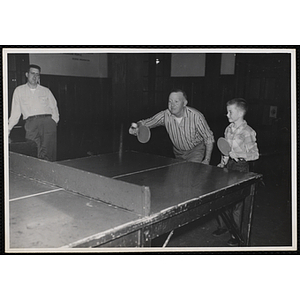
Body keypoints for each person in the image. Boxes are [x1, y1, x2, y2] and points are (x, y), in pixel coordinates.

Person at [214, 98, 259, 246]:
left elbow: (255, 155)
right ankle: (223, 226)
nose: (227, 114)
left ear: (239, 113)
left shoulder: (248, 132)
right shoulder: (228, 129)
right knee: (221, 198)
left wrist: (238, 155)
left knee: (236, 203)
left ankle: (235, 234)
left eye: (230, 112)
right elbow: (225, 151)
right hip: (228, 167)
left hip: (241, 167)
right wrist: (222, 162)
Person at [129, 89, 214, 164]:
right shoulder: (165, 115)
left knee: (191, 176)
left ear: (184, 103)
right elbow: (146, 122)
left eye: (176, 102)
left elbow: (209, 138)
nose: (172, 105)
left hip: (195, 151)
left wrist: (207, 159)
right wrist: (135, 127)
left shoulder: (196, 116)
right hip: (177, 152)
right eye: (170, 101)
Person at [8, 64, 59, 161]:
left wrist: (54, 122)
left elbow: (54, 107)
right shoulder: (19, 90)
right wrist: (8, 130)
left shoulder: (46, 91)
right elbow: (15, 112)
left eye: (37, 74)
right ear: (27, 74)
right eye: (32, 73)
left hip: (48, 122)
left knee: (49, 153)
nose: (35, 76)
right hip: (31, 123)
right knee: (33, 150)